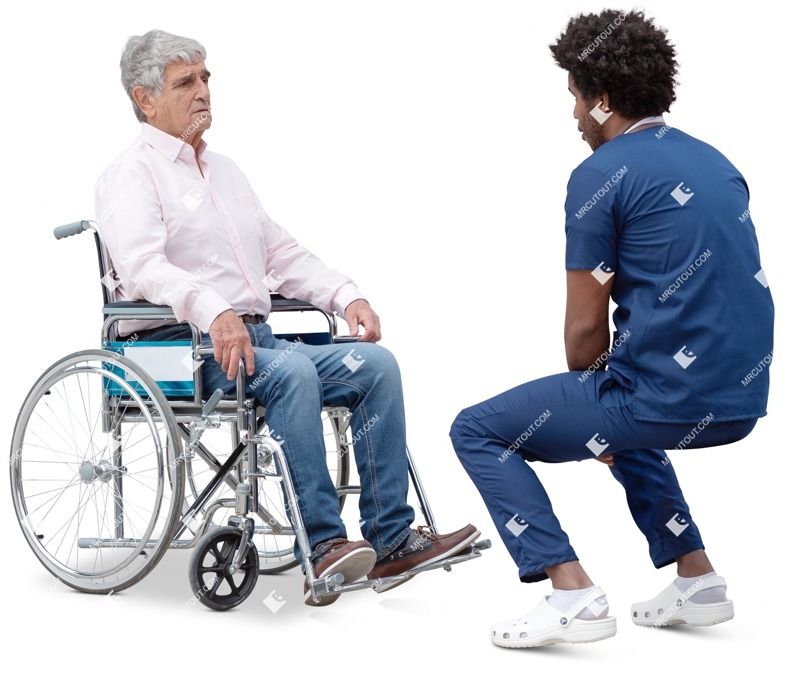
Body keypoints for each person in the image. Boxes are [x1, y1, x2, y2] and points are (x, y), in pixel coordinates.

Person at [95, 29, 478, 607]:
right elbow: (143, 266)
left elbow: (278, 254)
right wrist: (212, 309)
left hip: (257, 340)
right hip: (180, 348)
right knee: (291, 375)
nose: (203, 91)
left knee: (374, 364)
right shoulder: (131, 174)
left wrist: (344, 296)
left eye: (205, 77)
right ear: (144, 99)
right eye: (185, 82)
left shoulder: (223, 171)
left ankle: (392, 536)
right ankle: (322, 544)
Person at [450, 9, 773, 648]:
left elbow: (582, 335)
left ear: (601, 100)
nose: (572, 116)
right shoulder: (716, 160)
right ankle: (697, 578)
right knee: (617, 401)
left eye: (574, 98)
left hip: (668, 398)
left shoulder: (600, 176)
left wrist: (587, 399)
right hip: (741, 401)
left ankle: (570, 592)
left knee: (477, 428)